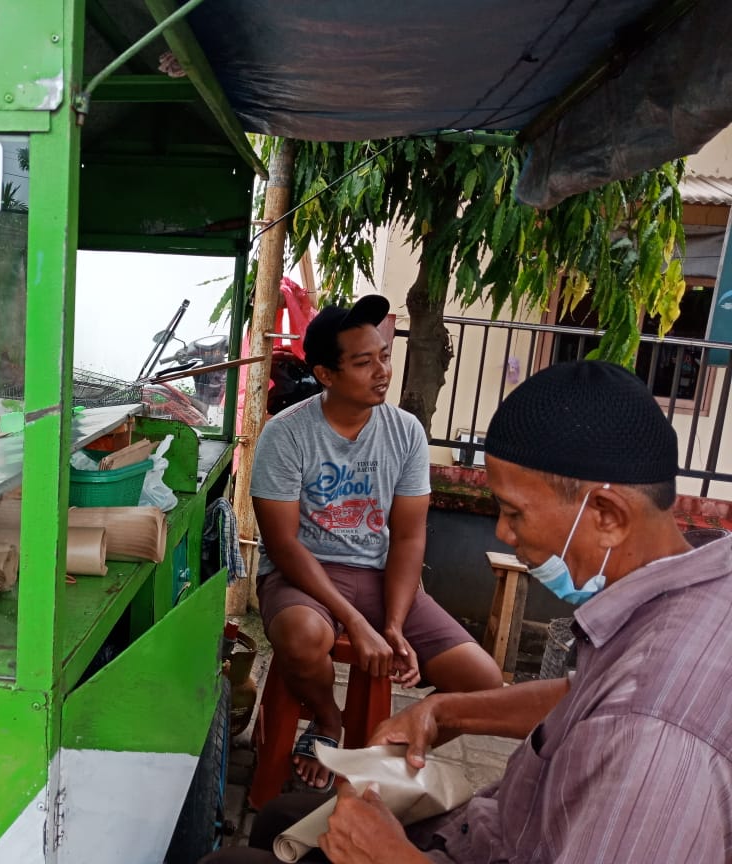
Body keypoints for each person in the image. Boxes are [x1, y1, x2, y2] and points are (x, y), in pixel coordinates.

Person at [206, 359, 732, 863]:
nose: (503, 532)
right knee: (285, 817)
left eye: (514, 512)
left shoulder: (654, 737)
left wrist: (392, 858)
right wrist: (441, 712)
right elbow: (593, 693)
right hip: (493, 831)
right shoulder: (700, 587)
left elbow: (628, 711)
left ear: (608, 515)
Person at [250, 296, 502, 792]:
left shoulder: (405, 432)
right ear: (326, 374)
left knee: (484, 683)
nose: (382, 371)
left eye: (384, 355)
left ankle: (381, 756)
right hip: (304, 577)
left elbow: (409, 535)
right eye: (364, 362)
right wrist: (356, 622)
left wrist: (391, 621)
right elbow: (283, 545)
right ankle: (329, 721)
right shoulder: (286, 434)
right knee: (302, 637)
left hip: (381, 577)